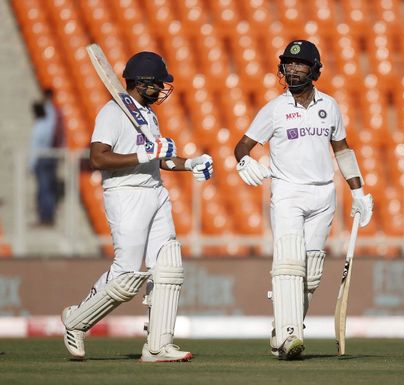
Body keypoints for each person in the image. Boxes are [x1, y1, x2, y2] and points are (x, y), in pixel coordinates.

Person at [61, 51, 213, 362]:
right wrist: (144, 155)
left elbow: (158, 157)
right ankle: (76, 322)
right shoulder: (112, 113)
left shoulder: (148, 115)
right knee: (128, 275)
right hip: (125, 194)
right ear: (142, 83)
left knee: (168, 265)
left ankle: (157, 345)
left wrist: (190, 163)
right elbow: (98, 158)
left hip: (154, 191)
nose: (161, 90)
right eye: (157, 84)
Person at [234, 40, 373, 360]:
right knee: (289, 262)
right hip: (287, 193)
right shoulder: (274, 108)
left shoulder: (331, 106)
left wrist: (358, 191)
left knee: (310, 275)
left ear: (315, 69)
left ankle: (283, 329)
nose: (293, 69)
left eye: (300, 64)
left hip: (323, 194)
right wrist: (244, 161)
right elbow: (242, 145)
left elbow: (342, 150)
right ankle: (289, 336)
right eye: (288, 64)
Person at [29, 99, 57, 225]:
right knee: (48, 188)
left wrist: (31, 164)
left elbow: (35, 147)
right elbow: (52, 114)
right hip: (49, 157)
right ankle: (48, 214)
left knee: (43, 188)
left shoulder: (38, 126)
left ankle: (45, 216)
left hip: (41, 159)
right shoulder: (48, 123)